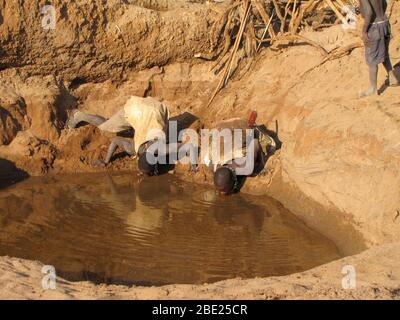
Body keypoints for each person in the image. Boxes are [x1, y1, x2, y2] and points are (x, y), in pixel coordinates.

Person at [67, 96, 197, 176]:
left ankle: (78, 115)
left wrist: (193, 166)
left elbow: (189, 147)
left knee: (161, 133)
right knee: (107, 129)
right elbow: (116, 140)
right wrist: (106, 160)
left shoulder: (160, 149)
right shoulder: (133, 149)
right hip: (144, 110)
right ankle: (78, 115)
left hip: (154, 110)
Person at [203, 111, 276, 195]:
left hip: (240, 124)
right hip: (221, 127)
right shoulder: (210, 164)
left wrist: (261, 166)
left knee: (270, 146)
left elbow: (255, 143)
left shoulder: (247, 168)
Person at [359, 0, 399, 97]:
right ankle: (392, 78)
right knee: (384, 53)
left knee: (372, 58)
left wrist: (364, 31)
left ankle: (373, 89)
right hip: (385, 23)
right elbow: (384, 4)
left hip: (375, 27)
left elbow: (368, 12)